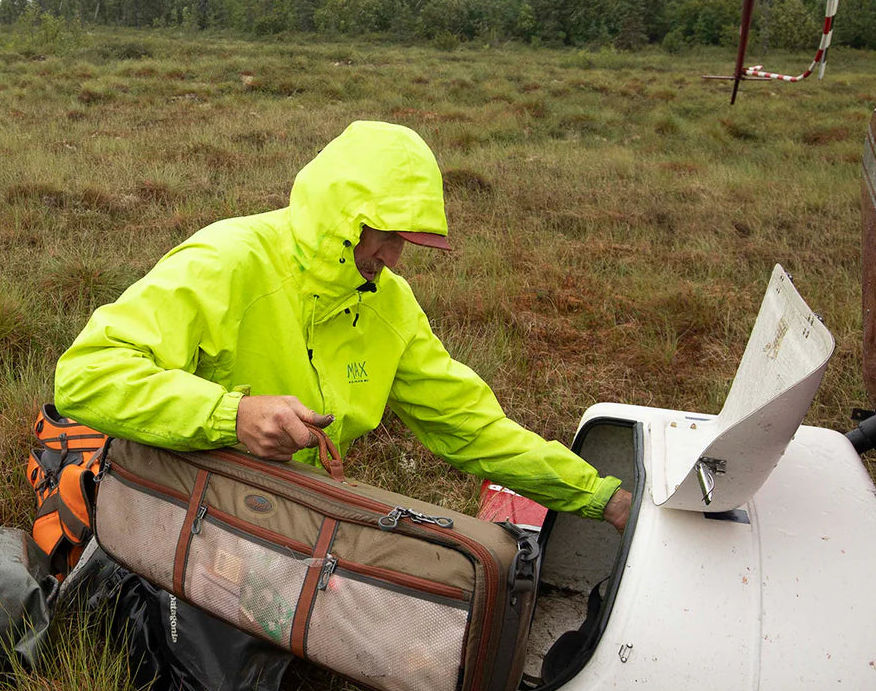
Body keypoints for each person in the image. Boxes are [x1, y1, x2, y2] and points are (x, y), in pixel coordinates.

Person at [53, 119, 632, 531]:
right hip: (182, 508)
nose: (393, 258)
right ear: (345, 216)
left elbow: (471, 426)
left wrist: (598, 496)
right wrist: (232, 416)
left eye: (405, 241)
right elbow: (86, 377)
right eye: (386, 234)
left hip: (293, 518)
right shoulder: (227, 261)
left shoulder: (388, 304)